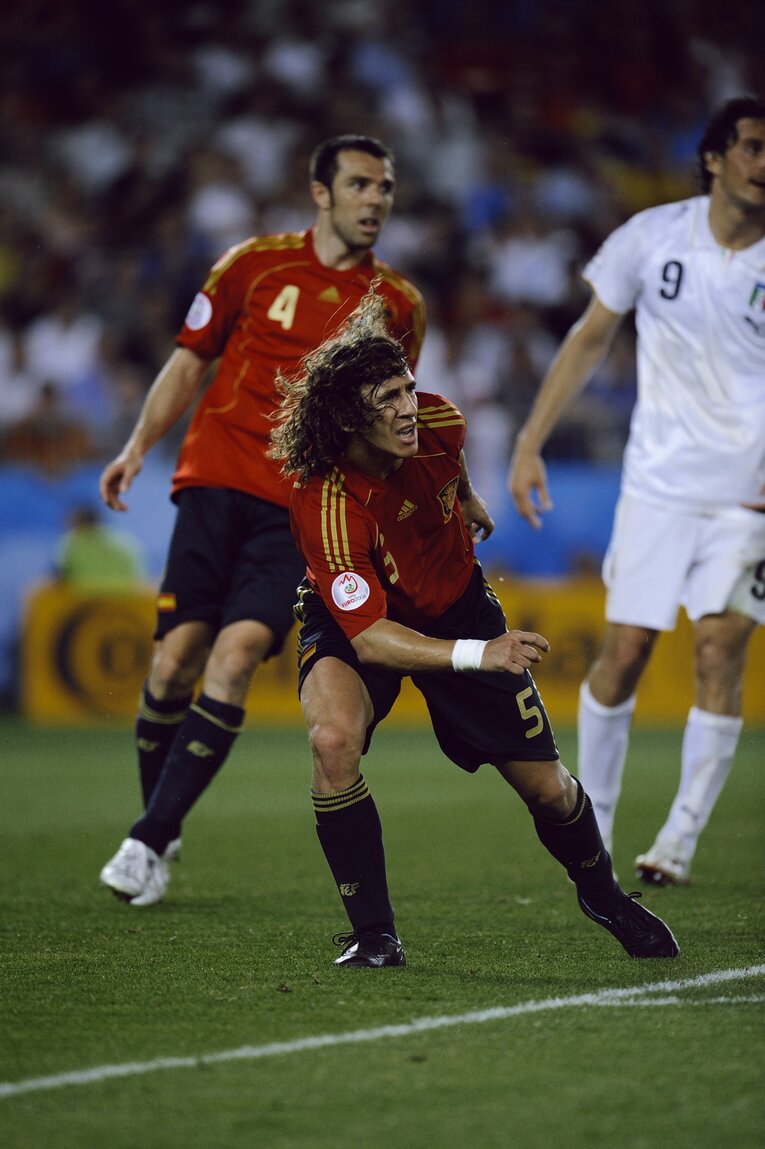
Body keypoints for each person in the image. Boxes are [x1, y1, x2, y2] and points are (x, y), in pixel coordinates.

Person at [269, 289, 678, 967]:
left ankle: (604, 895)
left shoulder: (441, 420)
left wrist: (464, 495)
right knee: (333, 738)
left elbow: (445, 457)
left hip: (456, 603)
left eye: (407, 388)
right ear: (346, 418)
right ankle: (375, 935)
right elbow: (369, 637)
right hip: (361, 624)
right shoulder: (326, 502)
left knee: (548, 789)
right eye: (387, 400)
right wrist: (477, 653)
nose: (407, 408)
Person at [99, 135, 426, 907]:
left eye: (384, 186)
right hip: (214, 477)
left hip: (299, 504)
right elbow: (189, 359)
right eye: (359, 184)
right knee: (176, 660)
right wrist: (137, 444)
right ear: (321, 192)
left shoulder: (398, 305)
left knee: (239, 650)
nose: (375, 198)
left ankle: (146, 841)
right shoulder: (252, 264)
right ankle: (163, 816)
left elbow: (394, 417)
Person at [508, 96, 765, 886]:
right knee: (623, 652)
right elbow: (590, 336)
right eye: (753, 147)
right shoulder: (650, 237)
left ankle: (677, 842)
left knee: (720, 645)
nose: (764, 164)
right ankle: (600, 830)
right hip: (655, 486)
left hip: (747, 495)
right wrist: (528, 440)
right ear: (713, 157)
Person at [55, 504, 145, 593]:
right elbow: (138, 579)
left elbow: (60, 577)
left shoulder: (71, 544)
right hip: (124, 600)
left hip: (84, 601)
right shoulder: (125, 543)